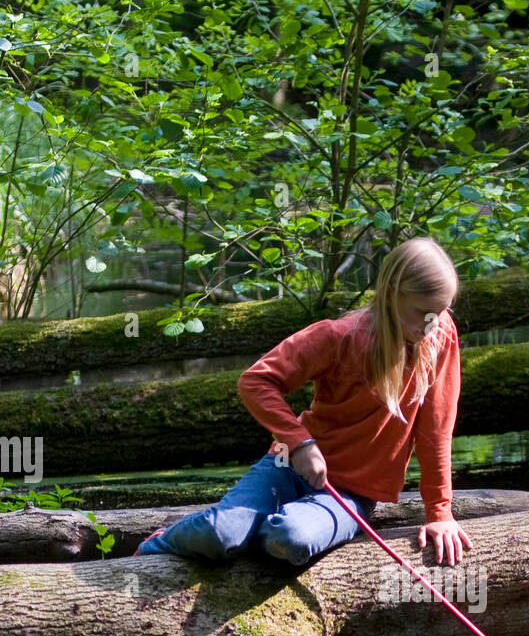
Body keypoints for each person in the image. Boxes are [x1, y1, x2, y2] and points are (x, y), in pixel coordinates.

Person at [136, 237, 474, 568]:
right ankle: (164, 540)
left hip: (351, 495)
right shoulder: (339, 336)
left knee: (289, 538)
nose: (432, 325)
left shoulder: (440, 336)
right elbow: (256, 381)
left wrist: (439, 512)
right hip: (286, 466)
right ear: (390, 294)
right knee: (220, 534)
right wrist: (300, 443)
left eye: (440, 312)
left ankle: (251, 532)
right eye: (423, 313)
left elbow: (436, 429)